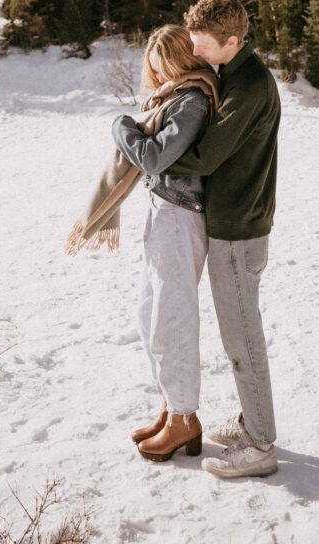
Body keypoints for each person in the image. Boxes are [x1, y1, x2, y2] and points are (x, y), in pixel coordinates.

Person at [166, 0, 281, 479]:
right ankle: (253, 422)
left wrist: (152, 156)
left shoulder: (250, 86)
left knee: (242, 341)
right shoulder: (235, 73)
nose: (193, 49)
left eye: (202, 42)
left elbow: (207, 156)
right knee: (240, 334)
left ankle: (260, 445)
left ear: (231, 41)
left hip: (238, 229)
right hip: (238, 222)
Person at [111, 25, 219, 462]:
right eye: (153, 71)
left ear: (180, 62)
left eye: (163, 68)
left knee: (171, 324)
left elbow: (155, 156)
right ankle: (172, 408)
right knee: (147, 318)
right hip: (163, 214)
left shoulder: (192, 102)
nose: (157, 79)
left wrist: (122, 128)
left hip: (180, 218)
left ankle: (183, 418)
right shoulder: (174, 98)